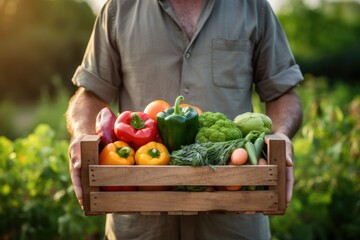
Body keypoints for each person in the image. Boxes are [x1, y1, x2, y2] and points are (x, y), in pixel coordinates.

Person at [66, 0, 303, 239]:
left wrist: (280, 136)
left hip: (234, 224)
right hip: (140, 226)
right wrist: (81, 135)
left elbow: (283, 93)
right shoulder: (119, 9)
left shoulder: (253, 8)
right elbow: (90, 95)